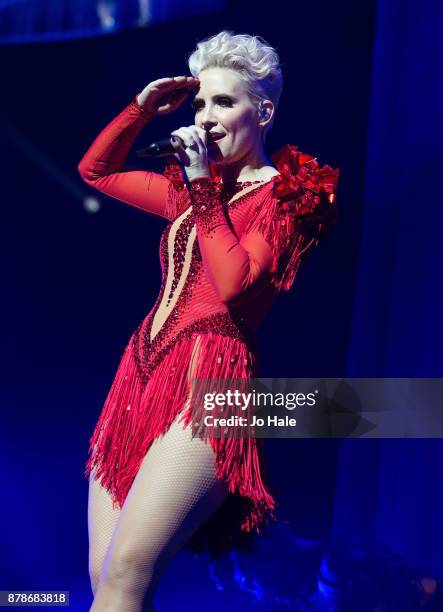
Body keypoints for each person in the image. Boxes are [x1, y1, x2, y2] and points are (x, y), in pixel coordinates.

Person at [78, 30, 339, 612]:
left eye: (225, 102)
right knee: (106, 579)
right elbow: (96, 172)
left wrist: (200, 187)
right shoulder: (196, 193)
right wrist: (141, 109)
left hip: (213, 383)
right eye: (200, 103)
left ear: (264, 111)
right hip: (140, 376)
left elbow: (234, 285)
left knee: (128, 571)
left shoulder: (289, 196)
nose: (206, 117)